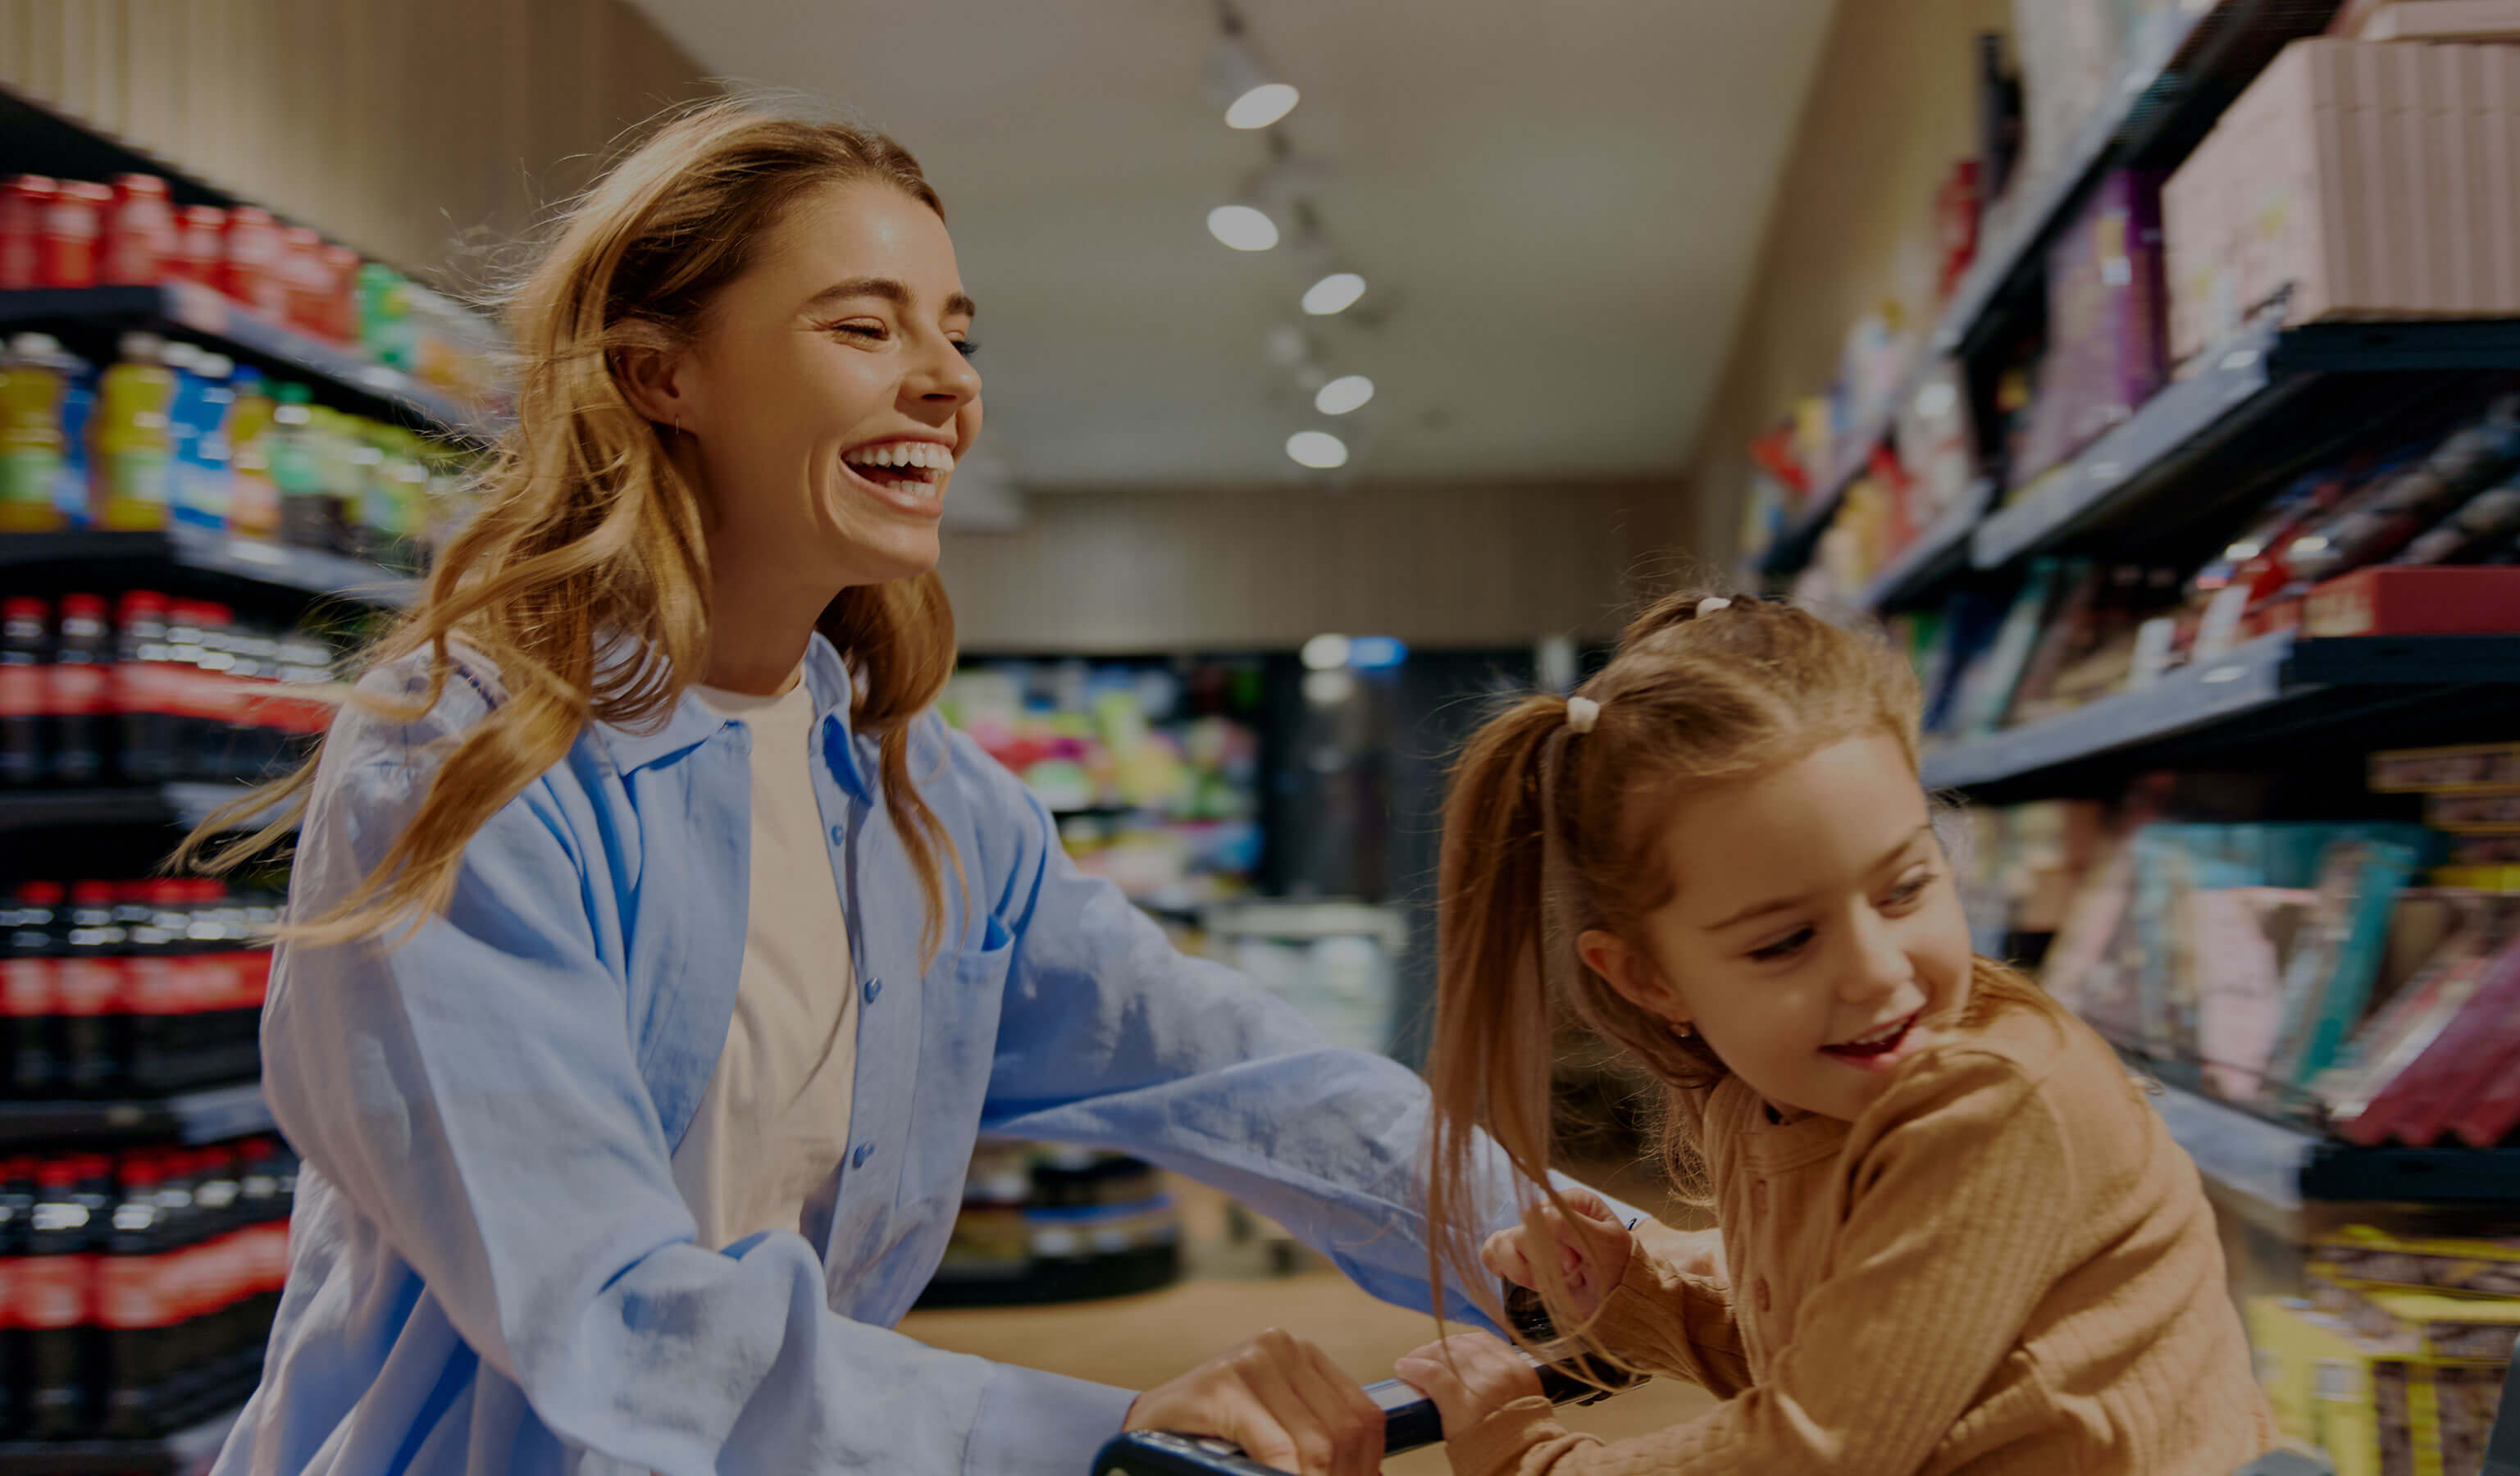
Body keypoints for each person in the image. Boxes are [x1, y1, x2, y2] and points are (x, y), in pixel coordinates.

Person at [183, 98, 1675, 1476]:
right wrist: (1089, 1430)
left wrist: (1546, 1241)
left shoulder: (917, 797)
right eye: (863, 326)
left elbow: (1227, 1063)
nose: (948, 384)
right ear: (662, 375)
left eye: (958, 334)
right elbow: (609, 1309)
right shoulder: (467, 760)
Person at [1388, 593, 2276, 1476]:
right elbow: (1840, 1367)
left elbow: (1821, 1450)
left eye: (1904, 888)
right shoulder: (1757, 1103)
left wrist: (1524, 1458)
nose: (1878, 971)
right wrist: (1633, 1296)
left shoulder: (1993, 1106)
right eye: (1784, 942)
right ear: (1649, 979)